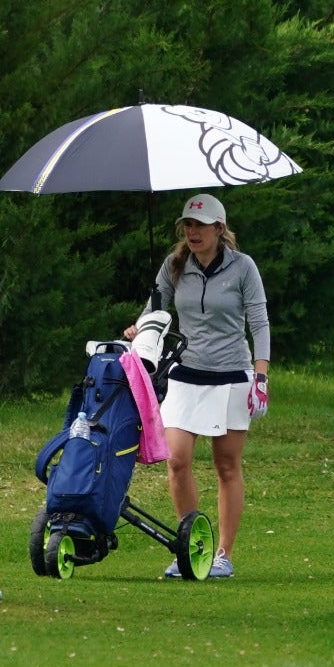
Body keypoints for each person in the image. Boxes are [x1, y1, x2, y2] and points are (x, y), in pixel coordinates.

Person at [126, 193, 269, 580]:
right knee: (176, 459)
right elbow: (155, 308)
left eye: (200, 225)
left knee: (226, 465)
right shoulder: (174, 265)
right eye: (187, 225)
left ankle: (222, 554)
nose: (192, 232)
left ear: (219, 229)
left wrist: (260, 376)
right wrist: (141, 327)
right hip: (186, 373)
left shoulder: (243, 268)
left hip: (231, 376)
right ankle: (193, 546)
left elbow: (259, 322)